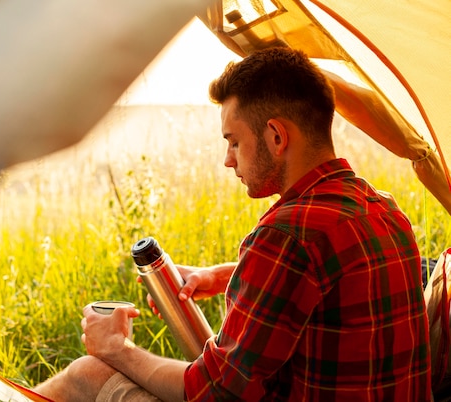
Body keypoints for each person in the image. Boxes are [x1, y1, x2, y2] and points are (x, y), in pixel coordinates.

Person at [32, 46, 431, 401]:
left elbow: (214, 391)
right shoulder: (384, 210)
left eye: (234, 141)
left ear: (276, 136)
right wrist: (222, 275)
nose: (228, 159)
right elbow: (329, 278)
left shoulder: (285, 235)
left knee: (87, 374)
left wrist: (116, 348)